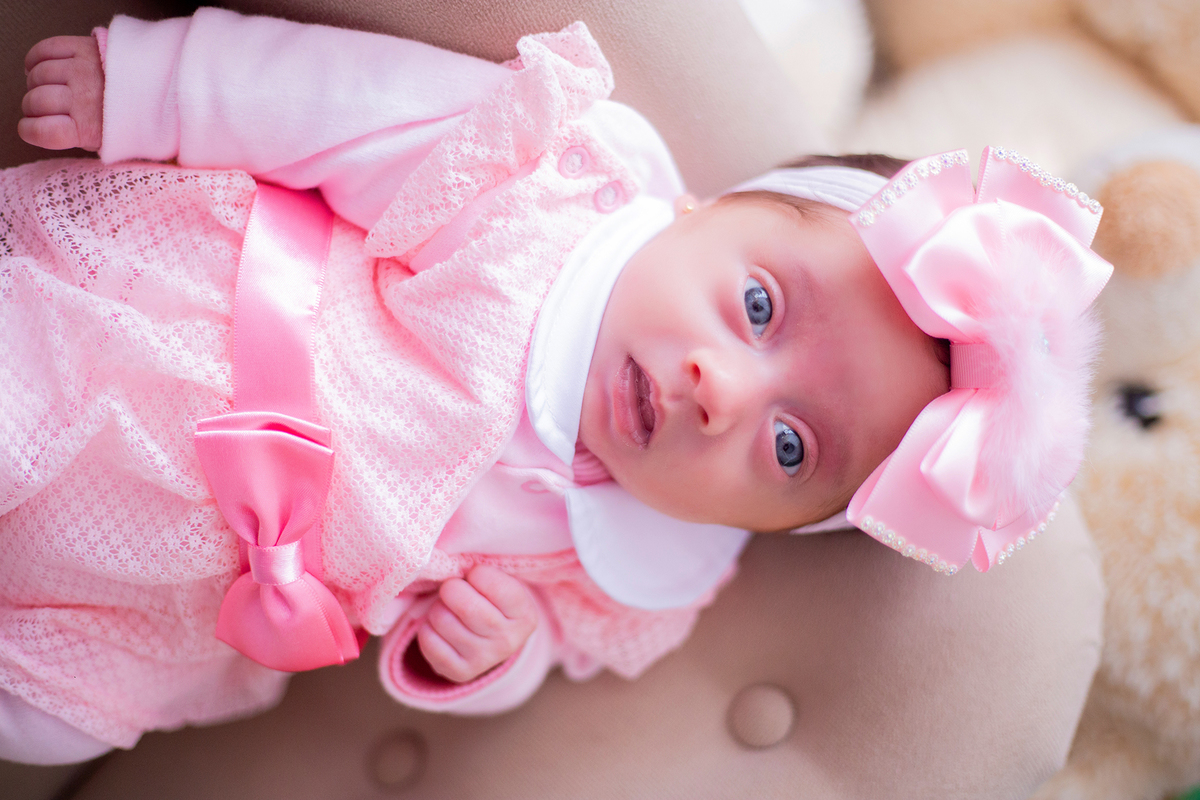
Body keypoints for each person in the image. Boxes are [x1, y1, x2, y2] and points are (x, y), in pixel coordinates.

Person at [0, 7, 1110, 764]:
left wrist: (491, 654)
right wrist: (157, 89)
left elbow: (541, 646)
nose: (722, 391)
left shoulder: (628, 567)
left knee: (55, 720)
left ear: (774, 525)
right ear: (704, 210)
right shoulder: (547, 191)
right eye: (758, 305)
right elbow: (350, 111)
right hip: (152, 350)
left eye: (790, 448)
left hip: (169, 594)